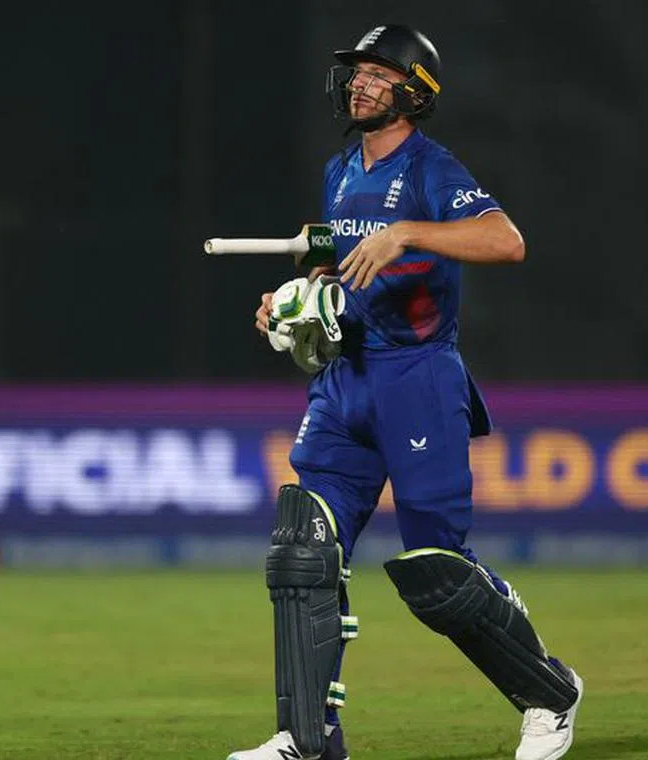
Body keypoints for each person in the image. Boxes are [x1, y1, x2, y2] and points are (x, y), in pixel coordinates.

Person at [229, 24, 583, 760]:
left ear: (414, 93)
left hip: (416, 379)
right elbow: (335, 261)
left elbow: (506, 241)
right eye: (356, 71)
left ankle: (551, 694)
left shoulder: (431, 169)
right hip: (345, 381)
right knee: (303, 550)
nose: (359, 83)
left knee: (438, 576)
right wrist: (292, 301)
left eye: (377, 73)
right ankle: (307, 740)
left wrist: (410, 233)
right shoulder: (339, 170)